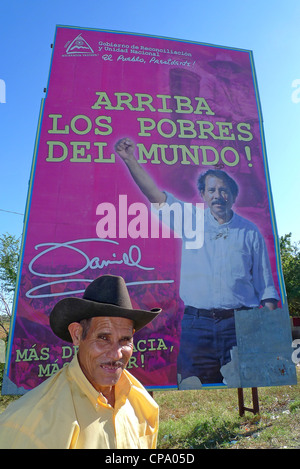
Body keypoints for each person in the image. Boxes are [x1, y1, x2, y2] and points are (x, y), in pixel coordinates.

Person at [115, 138, 279, 387]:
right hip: (196, 325)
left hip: (241, 324)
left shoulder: (250, 231)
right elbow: (157, 197)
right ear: (202, 195)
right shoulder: (189, 220)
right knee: (192, 385)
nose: (218, 196)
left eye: (224, 190)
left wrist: (265, 335)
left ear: (233, 195)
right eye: (212, 190)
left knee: (249, 381)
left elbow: (266, 287)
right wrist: (130, 160)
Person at [0, 274, 162, 449]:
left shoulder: (142, 404)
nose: (116, 355)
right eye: (103, 338)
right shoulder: (30, 424)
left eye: (125, 340)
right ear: (77, 334)